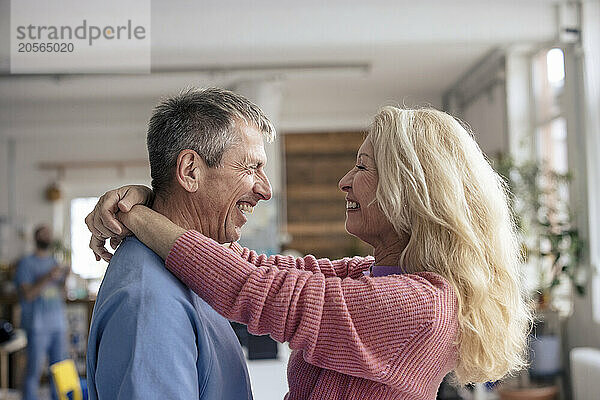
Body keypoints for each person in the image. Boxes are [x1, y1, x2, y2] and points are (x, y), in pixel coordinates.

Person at [87, 107, 533, 400]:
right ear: (191, 171)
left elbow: (257, 289)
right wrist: (149, 200)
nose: (344, 180)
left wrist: (140, 214)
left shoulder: (423, 306)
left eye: (362, 167)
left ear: (410, 193)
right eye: (252, 167)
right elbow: (259, 270)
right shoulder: (369, 275)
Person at [85, 87, 276, 399]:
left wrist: (142, 206)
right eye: (251, 167)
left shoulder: (191, 269)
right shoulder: (150, 300)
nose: (265, 190)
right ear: (190, 172)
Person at [15, 224, 68, 400]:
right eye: (44, 233)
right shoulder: (26, 264)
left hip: (58, 325)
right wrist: (48, 277)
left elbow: (61, 293)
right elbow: (28, 294)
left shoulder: (54, 262)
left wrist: (64, 278)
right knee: (33, 371)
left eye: (49, 233)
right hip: (37, 327)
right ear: (36, 237)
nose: (48, 236)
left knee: (59, 371)